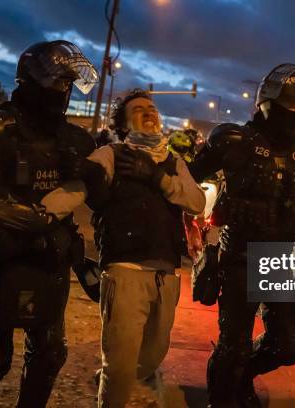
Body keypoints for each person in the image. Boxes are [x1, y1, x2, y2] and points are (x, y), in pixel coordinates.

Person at [0, 40, 98, 407]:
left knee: (49, 354)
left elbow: (92, 193)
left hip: (49, 259)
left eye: (68, 84)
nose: (64, 92)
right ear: (30, 81)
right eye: (59, 82)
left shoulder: (72, 138)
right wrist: (41, 220)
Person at [189, 64, 295, 407]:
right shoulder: (234, 141)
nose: (293, 113)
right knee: (234, 346)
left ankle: (242, 378)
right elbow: (185, 180)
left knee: (285, 348)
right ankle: (223, 397)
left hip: (283, 261)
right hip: (240, 257)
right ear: (265, 103)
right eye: (286, 106)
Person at [80, 89, 205, 407]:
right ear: (123, 125)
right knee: (121, 366)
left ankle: (113, 374)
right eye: (138, 109)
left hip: (166, 275)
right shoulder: (111, 153)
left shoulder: (174, 162)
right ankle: (113, 380)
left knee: (150, 357)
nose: (149, 111)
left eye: (152, 107)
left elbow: (196, 202)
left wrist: (159, 178)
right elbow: (85, 179)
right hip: (125, 270)